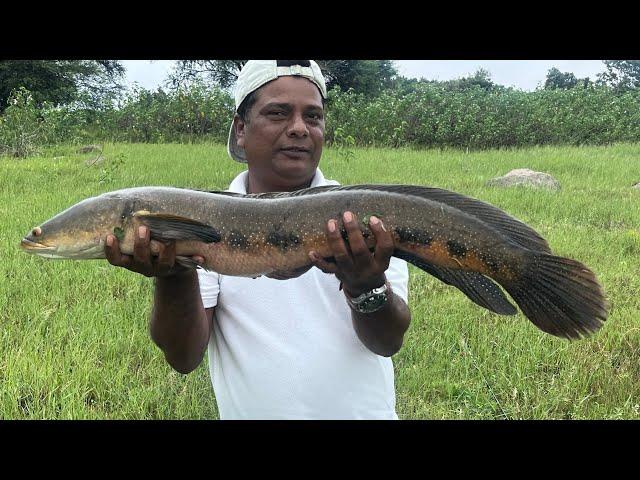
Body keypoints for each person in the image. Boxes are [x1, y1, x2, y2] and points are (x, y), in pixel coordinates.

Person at [104, 60, 412, 420]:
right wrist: (174, 273)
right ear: (240, 129)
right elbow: (183, 356)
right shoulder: (200, 220)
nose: (299, 129)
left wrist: (366, 287)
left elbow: (387, 342)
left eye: (313, 117)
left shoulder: (359, 218)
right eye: (278, 113)